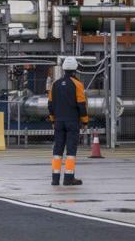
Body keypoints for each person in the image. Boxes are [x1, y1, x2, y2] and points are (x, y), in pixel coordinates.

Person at [48, 56, 88, 186]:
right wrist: (85, 121)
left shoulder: (55, 84)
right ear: (76, 69)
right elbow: (82, 104)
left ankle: (55, 179)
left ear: (64, 69)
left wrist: (53, 120)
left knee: (57, 150)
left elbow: (50, 104)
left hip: (59, 122)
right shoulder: (78, 84)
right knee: (71, 151)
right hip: (72, 122)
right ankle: (68, 178)